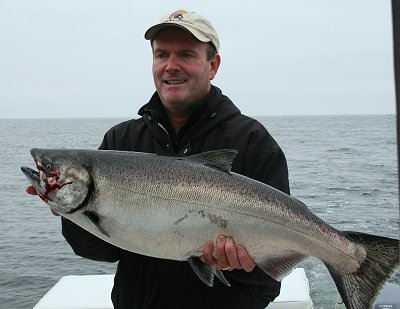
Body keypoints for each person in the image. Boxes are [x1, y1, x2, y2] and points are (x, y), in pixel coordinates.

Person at [28, 9, 290, 309]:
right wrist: (72, 214)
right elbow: (101, 251)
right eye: (161, 54)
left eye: (186, 55)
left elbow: (269, 281)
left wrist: (243, 266)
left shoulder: (254, 142)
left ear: (212, 65)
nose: (170, 66)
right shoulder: (120, 141)